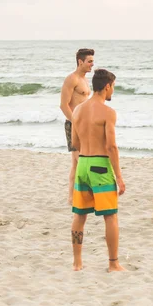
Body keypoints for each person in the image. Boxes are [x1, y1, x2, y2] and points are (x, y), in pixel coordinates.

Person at [70, 69, 126, 272]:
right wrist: (119, 176)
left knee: (79, 215)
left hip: (83, 164)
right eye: (113, 87)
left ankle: (77, 262)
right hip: (100, 166)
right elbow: (111, 147)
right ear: (107, 86)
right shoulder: (108, 112)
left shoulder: (78, 110)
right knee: (110, 216)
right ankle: (113, 264)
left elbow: (75, 142)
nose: (113, 91)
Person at [60, 48, 94, 205]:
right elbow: (63, 105)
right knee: (79, 160)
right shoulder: (71, 79)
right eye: (89, 61)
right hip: (74, 125)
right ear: (80, 62)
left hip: (86, 125)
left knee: (77, 162)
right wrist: (76, 122)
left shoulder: (85, 79)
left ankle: (71, 197)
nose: (92, 65)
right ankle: (77, 196)